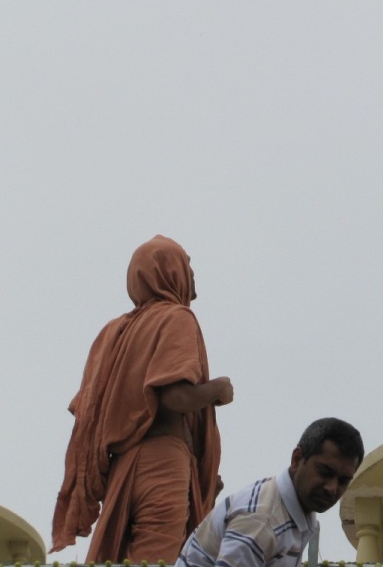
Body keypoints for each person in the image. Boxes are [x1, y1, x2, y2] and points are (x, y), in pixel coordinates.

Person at [51, 236, 233, 563]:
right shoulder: (176, 317)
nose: (192, 278)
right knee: (158, 557)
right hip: (162, 462)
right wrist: (217, 390)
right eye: (187, 266)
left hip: (123, 467)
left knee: (122, 557)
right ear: (168, 270)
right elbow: (175, 397)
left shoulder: (114, 332)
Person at [175, 417, 363, 567]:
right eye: (325, 472)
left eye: (343, 481)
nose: (332, 488)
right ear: (297, 459)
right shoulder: (262, 521)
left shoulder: (292, 513)